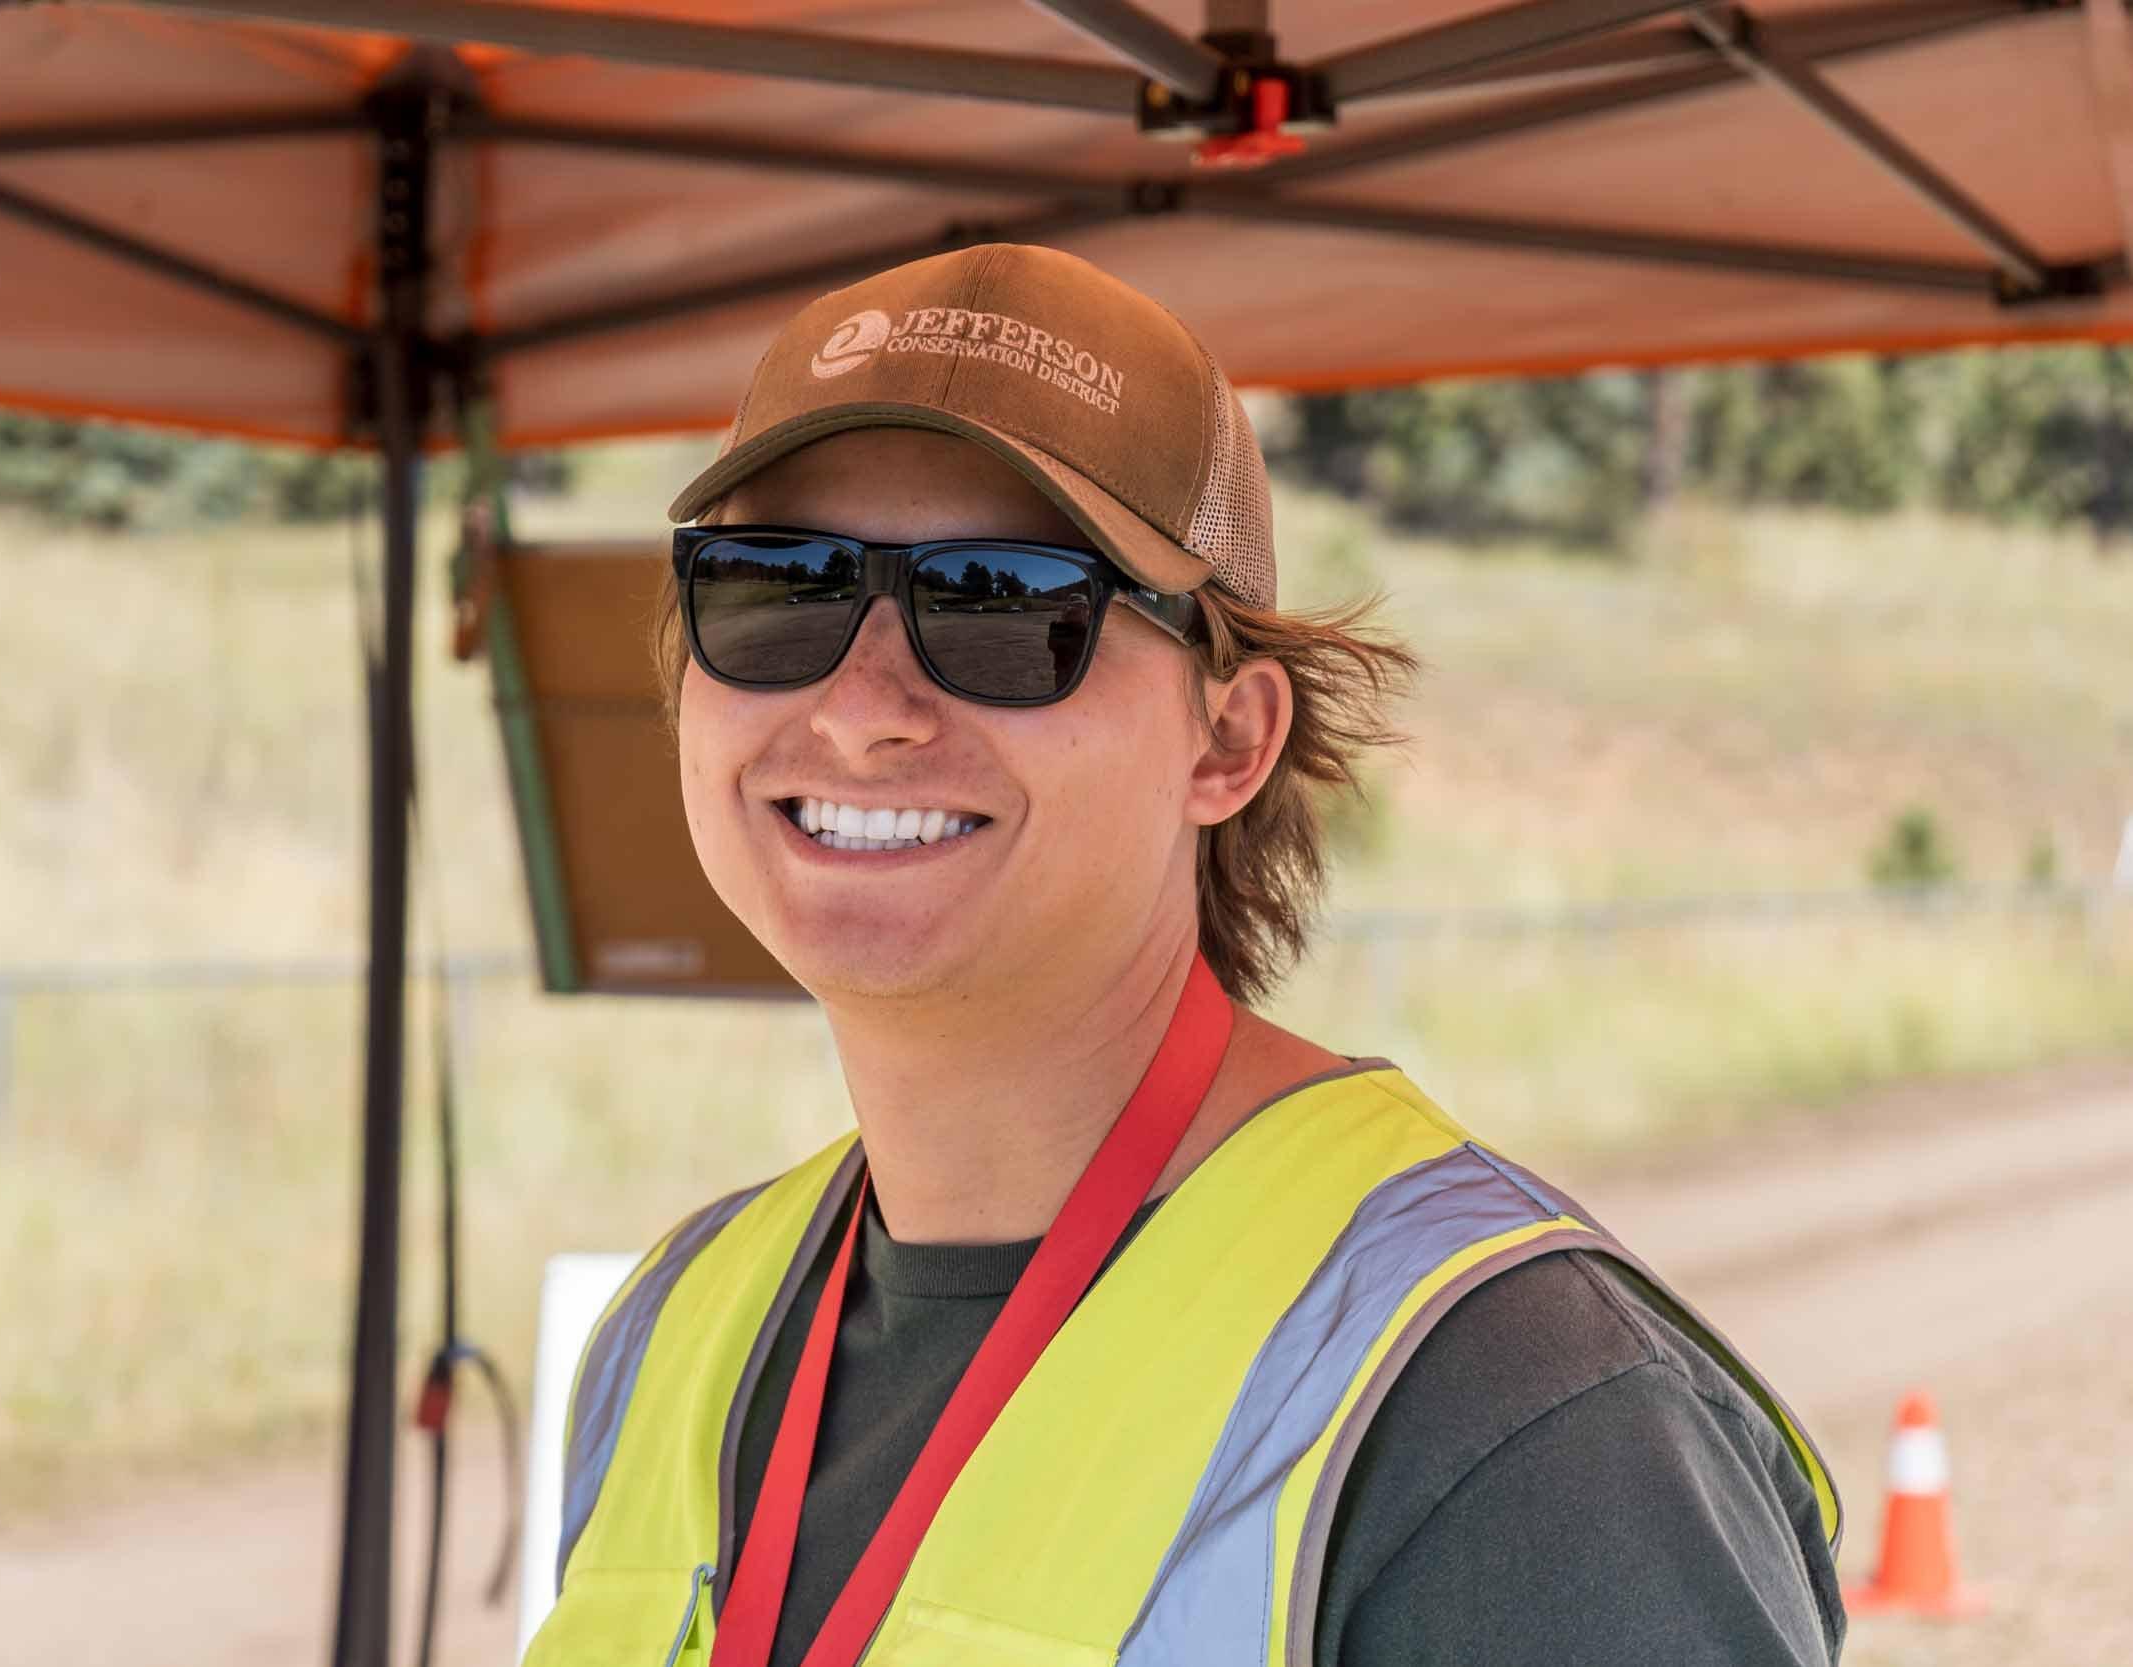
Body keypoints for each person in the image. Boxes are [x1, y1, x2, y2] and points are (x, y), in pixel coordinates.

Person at [525, 243, 1844, 1667]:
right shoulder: (667, 1338)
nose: (862, 710)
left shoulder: (1513, 1424)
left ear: (1229, 741)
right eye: (776, 585)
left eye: (1002, 602)